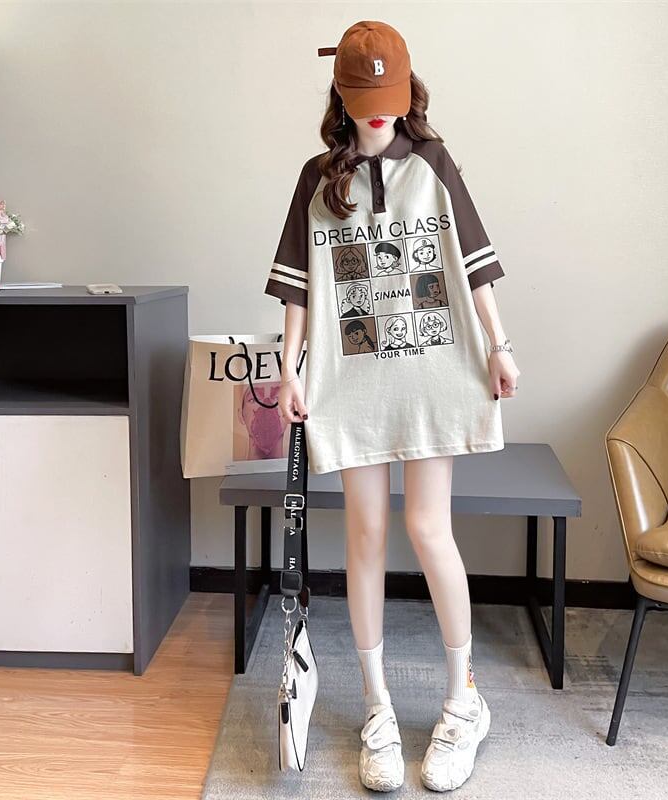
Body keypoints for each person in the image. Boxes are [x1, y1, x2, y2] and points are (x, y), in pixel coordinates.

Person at [264, 20, 520, 793]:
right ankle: (377, 708)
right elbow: (298, 287)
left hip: (432, 370)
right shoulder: (317, 178)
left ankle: (463, 701)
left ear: (409, 93)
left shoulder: (434, 164)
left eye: (391, 94)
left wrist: (500, 345)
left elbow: (474, 264)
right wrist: (290, 367)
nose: (380, 110)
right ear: (341, 96)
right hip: (354, 380)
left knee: (428, 527)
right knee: (367, 533)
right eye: (365, 95)